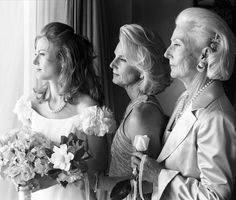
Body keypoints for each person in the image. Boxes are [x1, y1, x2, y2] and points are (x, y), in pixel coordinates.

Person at [131, 7, 236, 200]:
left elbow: (217, 196)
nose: (166, 53)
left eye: (176, 45)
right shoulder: (184, 99)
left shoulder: (215, 117)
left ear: (204, 55)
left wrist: (158, 176)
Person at [13, 22, 116, 200]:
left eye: (42, 54)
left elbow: (99, 163)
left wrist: (53, 178)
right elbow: (27, 152)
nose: (34, 61)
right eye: (35, 53)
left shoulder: (87, 110)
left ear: (63, 59)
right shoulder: (30, 105)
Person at [90, 24, 171, 199]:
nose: (112, 64)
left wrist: (96, 181)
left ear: (143, 70)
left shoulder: (141, 114)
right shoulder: (137, 106)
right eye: (114, 57)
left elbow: (148, 184)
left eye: (122, 59)